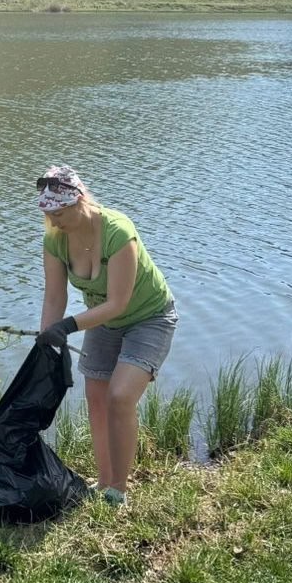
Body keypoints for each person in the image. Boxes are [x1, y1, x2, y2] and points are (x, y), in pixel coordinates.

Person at [35, 165, 177, 505]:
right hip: (102, 321)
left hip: (150, 318)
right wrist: (44, 342)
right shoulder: (54, 239)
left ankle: (119, 491)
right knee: (97, 400)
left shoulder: (117, 231)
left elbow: (118, 302)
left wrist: (68, 326)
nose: (53, 220)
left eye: (59, 212)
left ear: (78, 201)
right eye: (47, 212)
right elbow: (55, 297)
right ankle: (104, 482)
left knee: (120, 396)